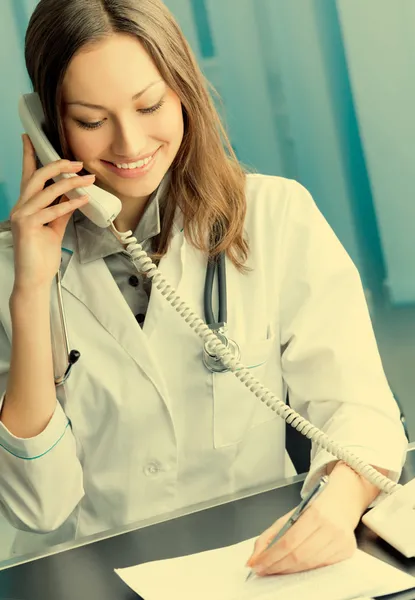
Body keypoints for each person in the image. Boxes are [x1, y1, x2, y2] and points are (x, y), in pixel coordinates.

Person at [0, 0, 407, 576]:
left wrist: (337, 507)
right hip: (89, 578)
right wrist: (31, 291)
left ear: (184, 91)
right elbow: (37, 509)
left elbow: (360, 408)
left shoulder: (275, 215)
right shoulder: (12, 273)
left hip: (257, 565)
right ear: (47, 125)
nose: (129, 142)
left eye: (149, 105)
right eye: (92, 120)